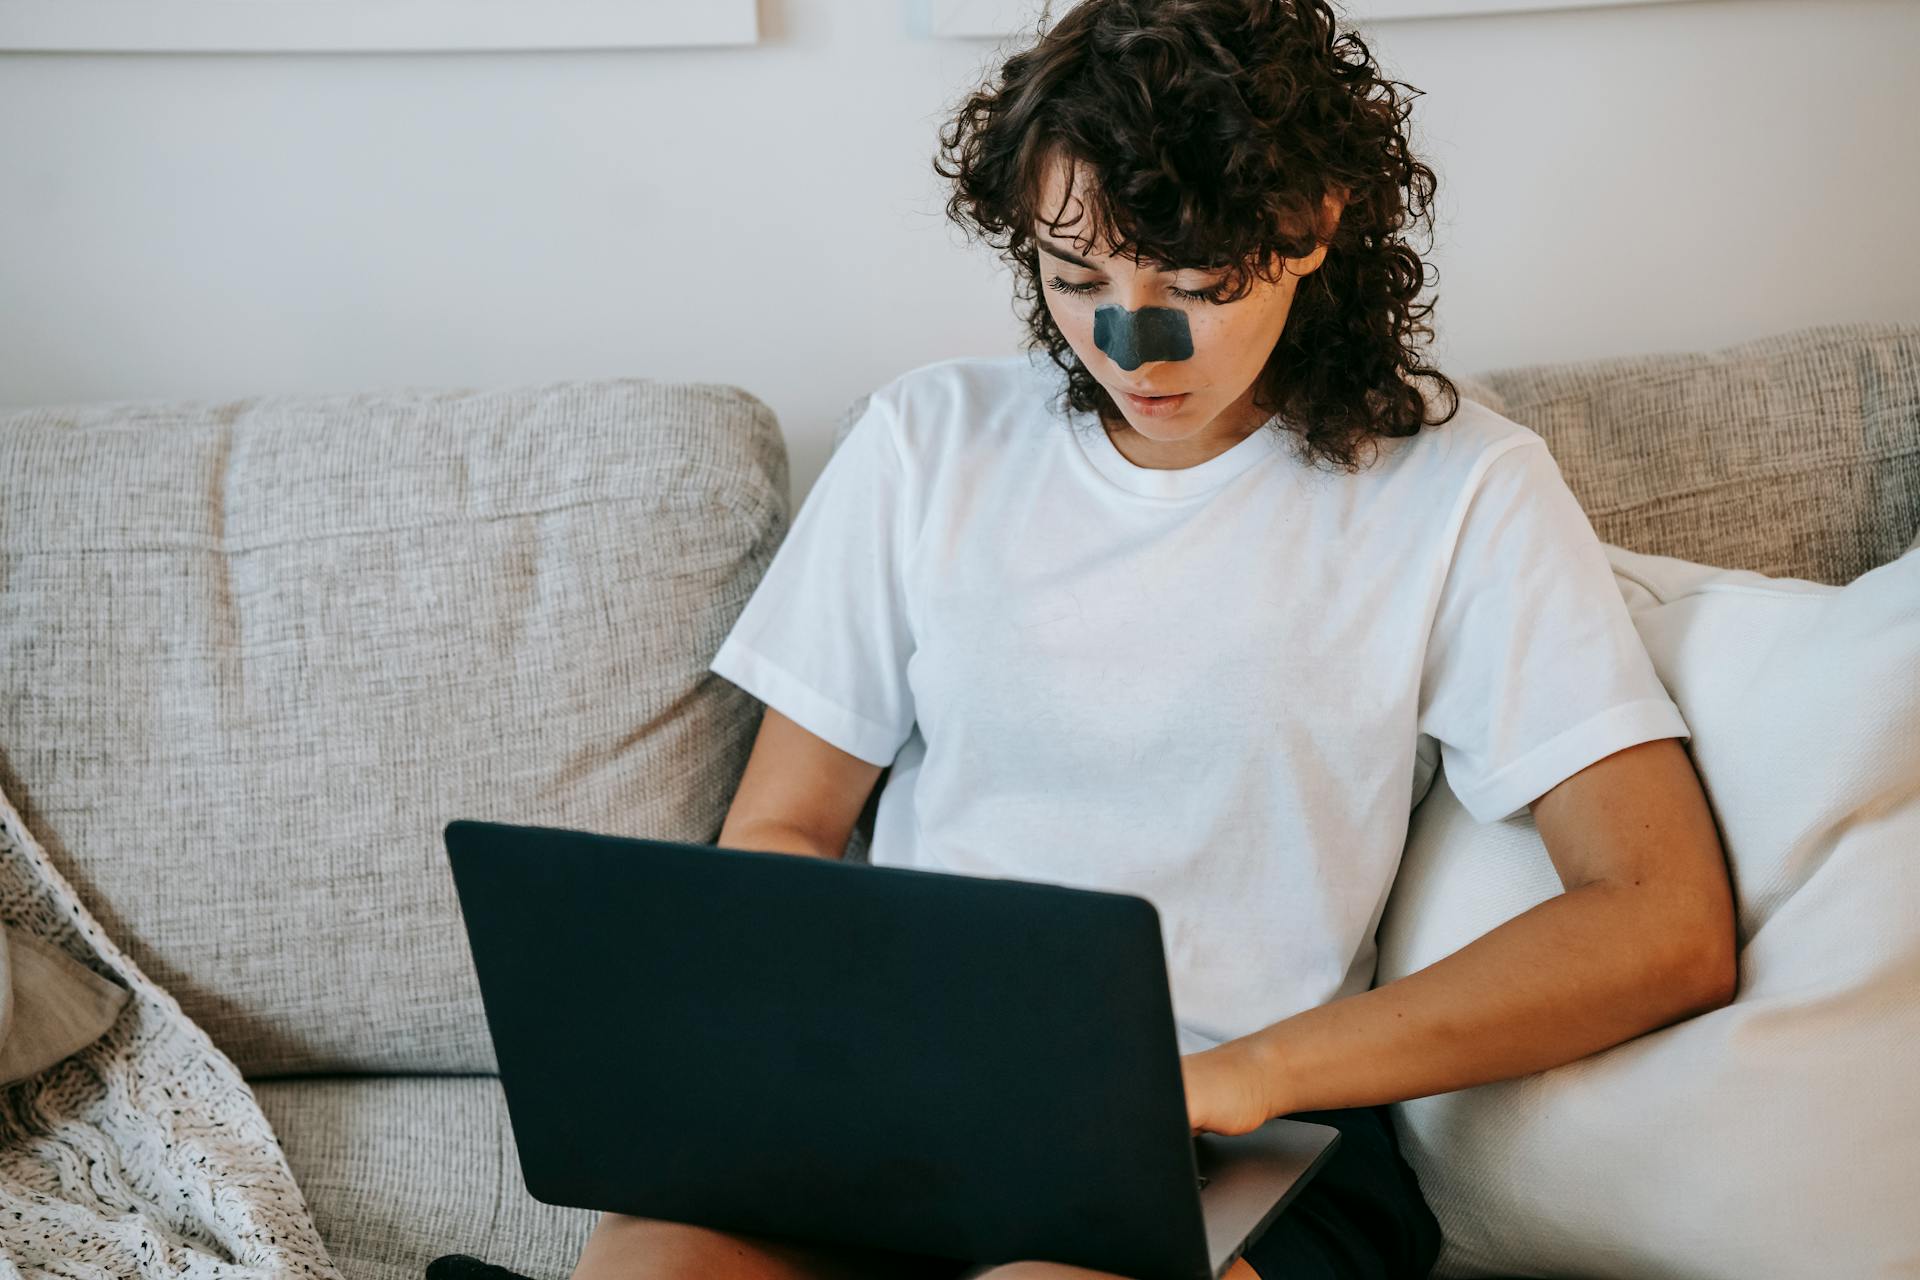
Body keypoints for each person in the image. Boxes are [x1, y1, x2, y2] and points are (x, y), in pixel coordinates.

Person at [564, 1, 1738, 1278]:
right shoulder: (926, 439)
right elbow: (783, 828)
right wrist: (834, 1063)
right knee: (652, 1262)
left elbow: (1660, 916)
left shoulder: (1461, 489)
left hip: (1248, 1131)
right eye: (1080, 281)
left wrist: (1241, 1073)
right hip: (920, 1106)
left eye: (1191, 281)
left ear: (1313, 226)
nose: (1133, 341)